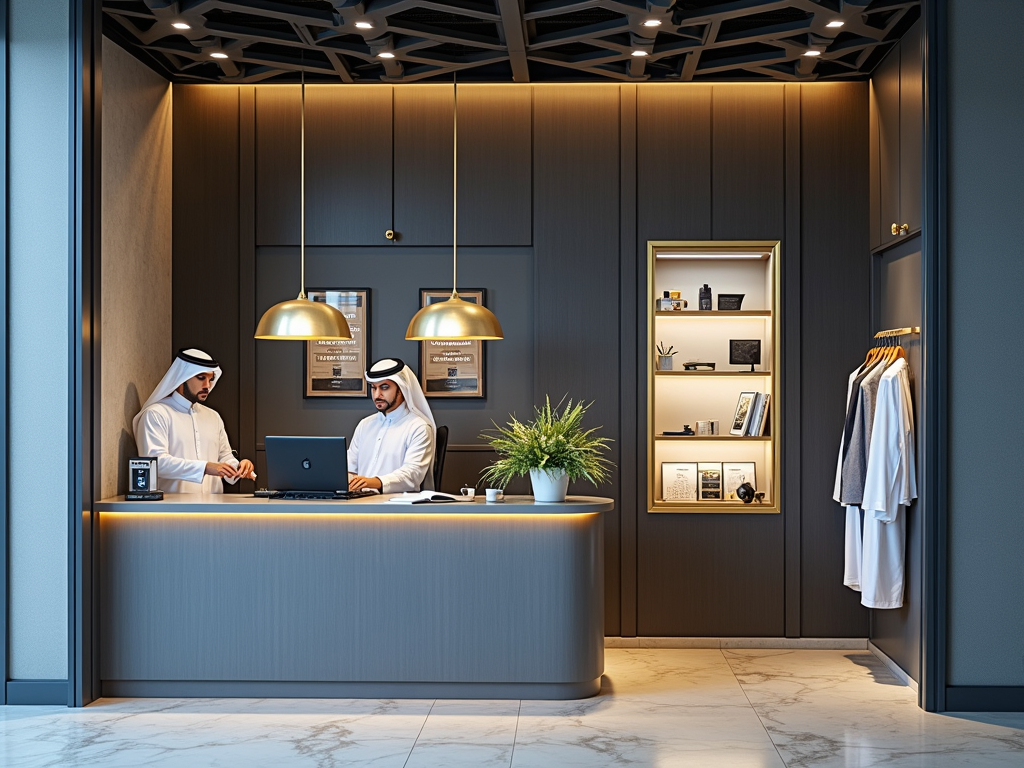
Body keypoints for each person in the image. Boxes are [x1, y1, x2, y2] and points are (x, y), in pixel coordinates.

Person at [133, 348, 255, 494]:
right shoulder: (156, 414)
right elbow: (156, 462)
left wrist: (238, 467)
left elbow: (225, 456)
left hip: (214, 508)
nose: (207, 386)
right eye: (201, 378)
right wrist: (206, 467)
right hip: (171, 510)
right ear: (182, 377)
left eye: (210, 379)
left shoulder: (213, 416)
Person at [348, 358, 436, 493]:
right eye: (374, 388)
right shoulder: (364, 425)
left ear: (402, 389)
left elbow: (412, 475)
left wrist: (372, 482)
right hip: (357, 503)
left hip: (398, 507)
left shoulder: (418, 427)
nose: (377, 395)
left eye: (384, 387)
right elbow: (349, 467)